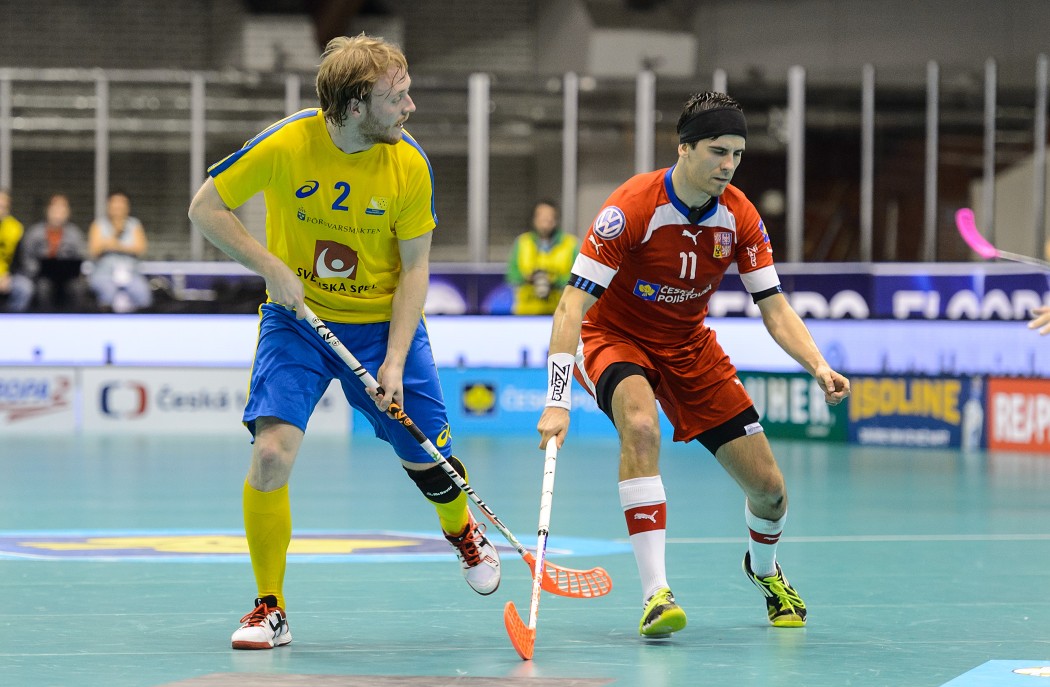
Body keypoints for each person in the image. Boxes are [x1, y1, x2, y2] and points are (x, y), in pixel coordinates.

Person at [188, 33, 500, 651]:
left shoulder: (408, 164)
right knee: (271, 454)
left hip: (385, 325)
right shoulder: (288, 142)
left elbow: (416, 270)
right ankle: (269, 607)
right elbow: (207, 208)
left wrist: (392, 359)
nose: (409, 108)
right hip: (297, 320)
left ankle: (462, 529)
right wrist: (272, 268)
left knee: (430, 464)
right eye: (397, 97)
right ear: (355, 106)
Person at [536, 92, 851, 638]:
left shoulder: (741, 217)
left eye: (737, 154)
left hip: (688, 346)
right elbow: (570, 307)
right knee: (639, 425)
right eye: (717, 151)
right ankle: (656, 593)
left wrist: (818, 367)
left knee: (770, 491)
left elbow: (775, 310)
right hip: (615, 336)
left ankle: (764, 569)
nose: (728, 165)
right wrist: (556, 400)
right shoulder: (631, 207)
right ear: (684, 149)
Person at [506, 200, 579, 315]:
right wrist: (529, 278)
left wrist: (554, 281)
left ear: (556, 219)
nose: (545, 220)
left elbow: (578, 278)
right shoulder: (522, 242)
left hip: (560, 313)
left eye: (549, 216)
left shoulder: (570, 244)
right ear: (534, 219)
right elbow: (511, 275)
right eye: (541, 216)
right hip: (526, 313)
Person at [18, 193, 87, 311]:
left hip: (69, 277)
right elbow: (26, 258)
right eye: (55, 208)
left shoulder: (75, 233)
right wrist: (38, 270)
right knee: (43, 287)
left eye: (62, 208)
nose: (58, 212)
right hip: (41, 277)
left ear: (68, 212)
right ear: (48, 210)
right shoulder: (34, 232)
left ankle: (75, 322)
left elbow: (82, 257)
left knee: (78, 288)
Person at [86, 190, 152, 313]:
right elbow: (94, 250)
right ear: (108, 205)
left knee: (142, 293)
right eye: (114, 203)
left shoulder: (134, 224)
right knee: (108, 292)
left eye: (121, 203)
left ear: (127, 207)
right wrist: (115, 238)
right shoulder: (98, 225)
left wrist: (113, 245)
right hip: (104, 275)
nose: (118, 207)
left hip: (131, 275)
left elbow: (140, 248)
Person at [0, 189, 32, 312]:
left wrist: (8, 277)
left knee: (25, 288)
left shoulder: (16, 228)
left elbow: (19, 261)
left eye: (3, 207)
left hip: (8, 276)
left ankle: (11, 321)